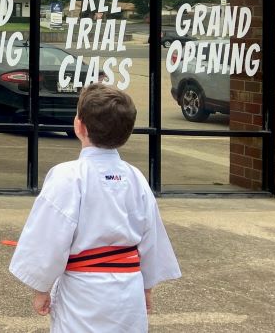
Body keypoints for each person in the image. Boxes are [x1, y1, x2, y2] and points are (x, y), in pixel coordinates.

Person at [9, 83, 181, 332]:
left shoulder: (68, 176)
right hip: (128, 289)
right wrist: (146, 288)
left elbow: (48, 237)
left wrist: (41, 288)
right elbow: (150, 237)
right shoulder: (136, 178)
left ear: (79, 126)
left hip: (84, 291)